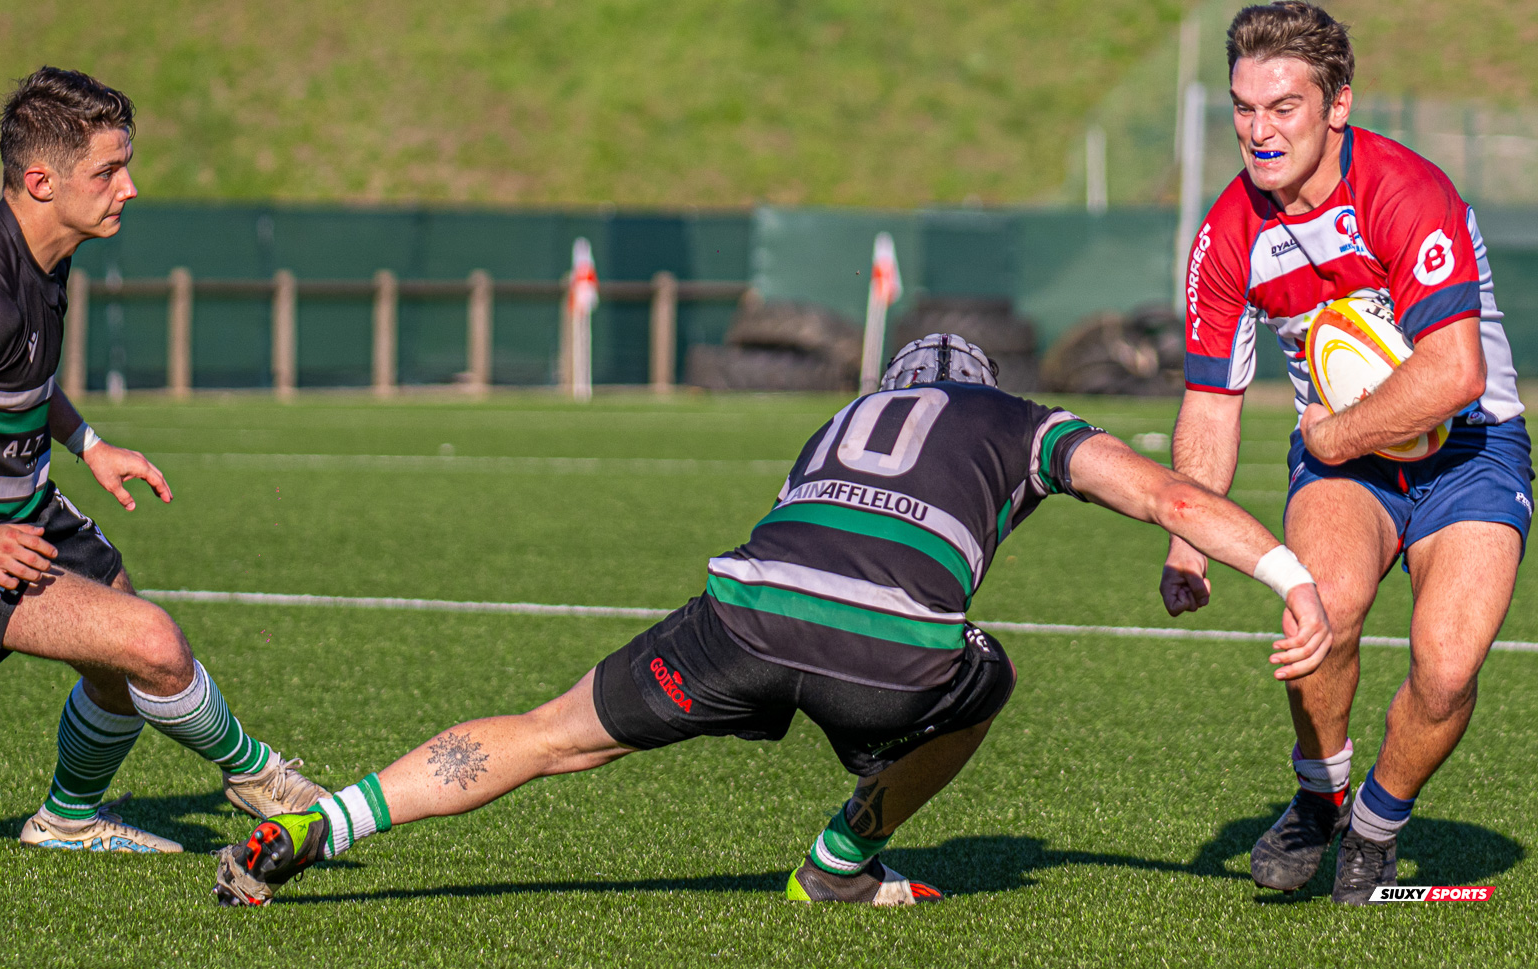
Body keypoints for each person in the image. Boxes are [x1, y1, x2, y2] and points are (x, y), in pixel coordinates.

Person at [211, 334, 1334, 907]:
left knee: (549, 732)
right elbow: (1172, 499)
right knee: (985, 678)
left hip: (740, 619)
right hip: (884, 657)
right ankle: (842, 861)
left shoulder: (844, 416)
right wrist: (1291, 576)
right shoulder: (1018, 417)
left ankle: (330, 821)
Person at [0, 67, 331, 854]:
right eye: (108, 171)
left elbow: (16, 368)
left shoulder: (40, 252)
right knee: (153, 646)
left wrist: (89, 443)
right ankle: (261, 776)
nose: (128, 187)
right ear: (41, 180)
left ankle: (66, 819)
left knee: (119, 664)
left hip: (19, 505)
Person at [1166, 1, 1531, 904]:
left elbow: (1453, 371)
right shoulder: (1227, 234)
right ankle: (1322, 792)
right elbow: (1211, 402)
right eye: (1244, 108)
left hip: (1473, 449)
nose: (1259, 131)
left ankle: (1374, 825)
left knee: (1446, 669)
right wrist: (1186, 535)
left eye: (1283, 106)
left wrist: (1330, 429)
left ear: (1337, 104)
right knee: (1317, 612)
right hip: (1350, 470)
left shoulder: (1405, 192)